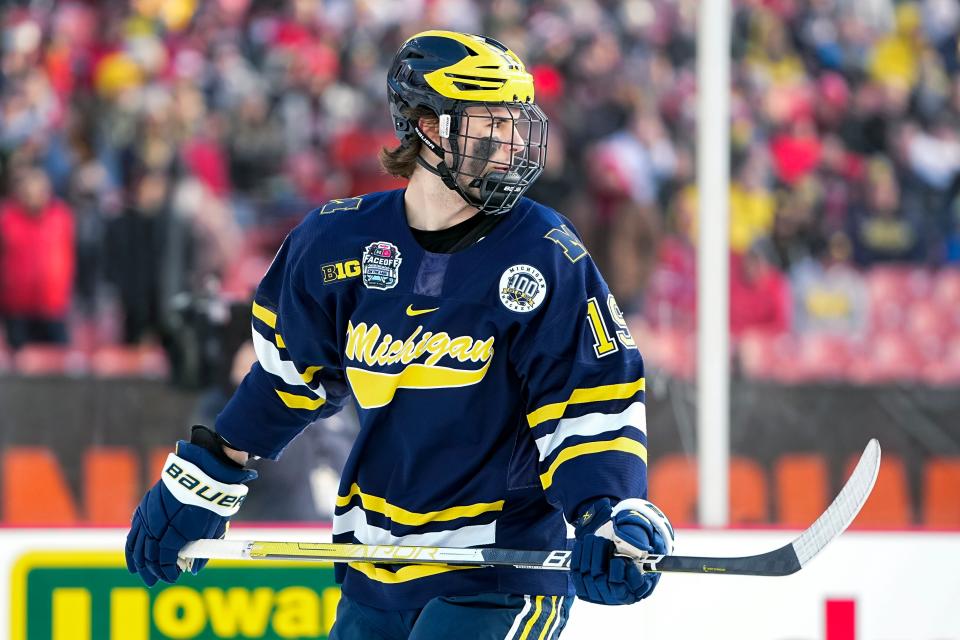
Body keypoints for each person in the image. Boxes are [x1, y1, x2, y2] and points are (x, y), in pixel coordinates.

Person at [125, 30, 674, 638]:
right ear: (429, 127)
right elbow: (285, 382)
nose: (513, 142)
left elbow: (589, 403)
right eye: (490, 123)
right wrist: (204, 477)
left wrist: (608, 512)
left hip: (497, 575)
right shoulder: (336, 243)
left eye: (517, 121)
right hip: (374, 567)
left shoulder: (546, 254)